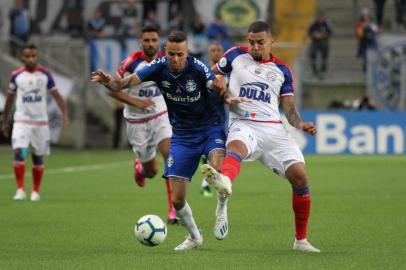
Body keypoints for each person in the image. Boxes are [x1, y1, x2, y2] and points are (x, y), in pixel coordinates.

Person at [91, 30, 247, 251]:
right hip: (183, 135)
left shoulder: (198, 67)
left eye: (180, 54)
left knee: (218, 166)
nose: (176, 59)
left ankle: (221, 208)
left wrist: (225, 92)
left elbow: (216, 86)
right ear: (166, 52)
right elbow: (121, 84)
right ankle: (194, 236)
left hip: (210, 128)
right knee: (178, 200)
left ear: (187, 52)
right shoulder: (157, 67)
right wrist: (108, 82)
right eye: (172, 54)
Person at [201, 21, 321, 252]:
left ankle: (301, 241)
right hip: (243, 123)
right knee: (235, 148)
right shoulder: (235, 55)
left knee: (300, 178)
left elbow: (289, 110)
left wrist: (301, 124)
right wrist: (221, 88)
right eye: (251, 42)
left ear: (271, 42)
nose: (255, 47)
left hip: (274, 130)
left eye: (260, 42)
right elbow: (209, 76)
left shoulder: (283, 70)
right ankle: (224, 187)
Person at [109, 25, 176, 223]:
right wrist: (137, 102)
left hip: (160, 115)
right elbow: (113, 88)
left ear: (159, 41)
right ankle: (141, 169)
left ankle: (173, 209)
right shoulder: (131, 62)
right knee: (152, 172)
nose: (150, 44)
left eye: (154, 40)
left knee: (170, 157)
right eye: (146, 40)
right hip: (137, 121)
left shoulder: (166, 60)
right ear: (140, 41)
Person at [2, 44, 69, 202]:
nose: (30, 59)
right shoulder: (16, 75)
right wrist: (5, 120)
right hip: (21, 119)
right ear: (22, 57)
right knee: (19, 151)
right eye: (27, 56)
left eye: (33, 56)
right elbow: (10, 98)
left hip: (40, 122)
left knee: (38, 156)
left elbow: (57, 95)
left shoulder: (45, 75)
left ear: (37, 57)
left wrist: (64, 113)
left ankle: (36, 191)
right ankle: (20, 189)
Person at [200, 43, 226, 198]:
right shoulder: (202, 74)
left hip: (218, 122)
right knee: (209, 157)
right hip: (201, 122)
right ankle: (207, 183)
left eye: (218, 50)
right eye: (213, 51)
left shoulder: (227, 75)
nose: (216, 53)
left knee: (217, 161)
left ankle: (206, 183)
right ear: (208, 55)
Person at [308, 12, 332, 79]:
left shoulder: (326, 24)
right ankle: (314, 70)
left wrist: (322, 35)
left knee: (324, 55)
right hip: (315, 42)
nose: (321, 19)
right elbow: (310, 32)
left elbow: (329, 33)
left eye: (322, 17)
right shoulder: (314, 24)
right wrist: (315, 35)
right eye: (320, 17)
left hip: (323, 42)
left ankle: (323, 69)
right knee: (313, 54)